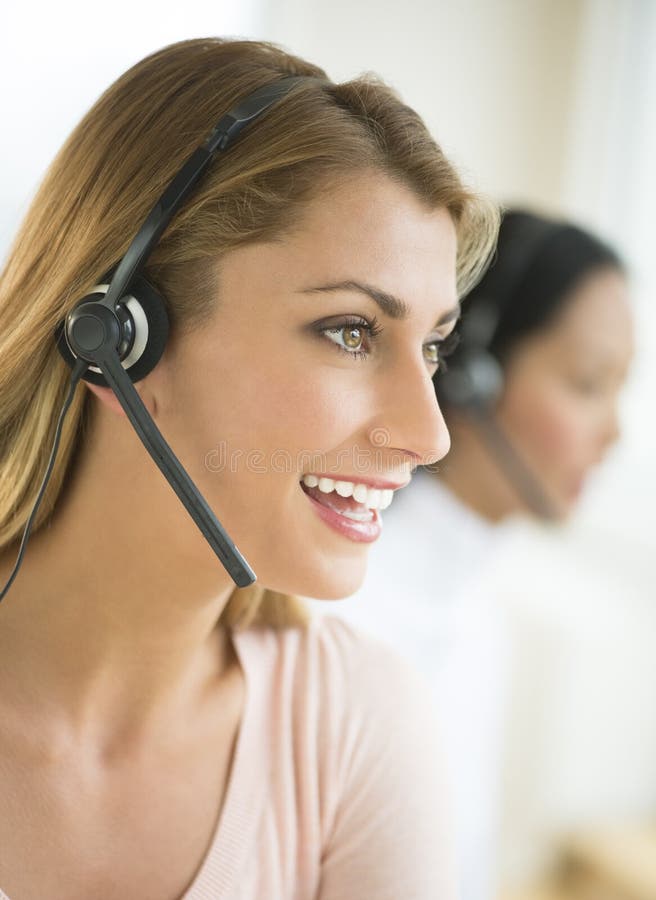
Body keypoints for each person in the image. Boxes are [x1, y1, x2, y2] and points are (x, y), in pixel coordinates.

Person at [0, 37, 498, 900]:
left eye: (433, 348)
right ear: (119, 340)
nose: (429, 435)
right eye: (351, 332)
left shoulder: (354, 731)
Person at [334, 209, 634, 900]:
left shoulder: (476, 605)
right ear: (475, 377)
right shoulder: (350, 607)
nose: (614, 432)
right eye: (589, 383)